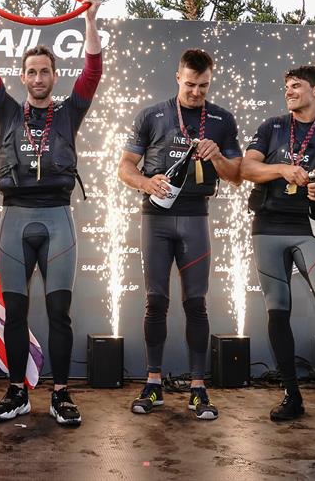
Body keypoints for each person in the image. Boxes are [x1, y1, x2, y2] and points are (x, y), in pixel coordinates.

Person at [0, 0, 102, 426]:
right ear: (23, 77)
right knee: (15, 313)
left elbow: (93, 72)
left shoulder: (69, 114)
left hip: (57, 219)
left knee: (59, 313)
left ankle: (61, 393)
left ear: (54, 76)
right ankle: (16, 391)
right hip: (15, 219)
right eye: (32, 72)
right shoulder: (7, 112)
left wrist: (89, 19)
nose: (39, 78)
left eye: (46, 71)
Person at [118, 49, 242, 420]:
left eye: (203, 86)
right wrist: (144, 182)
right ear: (178, 78)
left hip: (195, 219)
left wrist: (217, 156)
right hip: (156, 219)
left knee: (196, 304)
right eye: (190, 84)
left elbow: (235, 175)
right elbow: (124, 167)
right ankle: (153, 383)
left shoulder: (221, 119)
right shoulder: (152, 115)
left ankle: (198, 389)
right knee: (155, 301)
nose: (195, 92)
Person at [240, 65, 315, 436]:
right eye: (287, 86)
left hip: (314, 231)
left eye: (297, 86)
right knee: (277, 310)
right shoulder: (271, 127)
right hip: (269, 226)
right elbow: (247, 167)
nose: (289, 91)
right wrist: (280, 170)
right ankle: (291, 394)